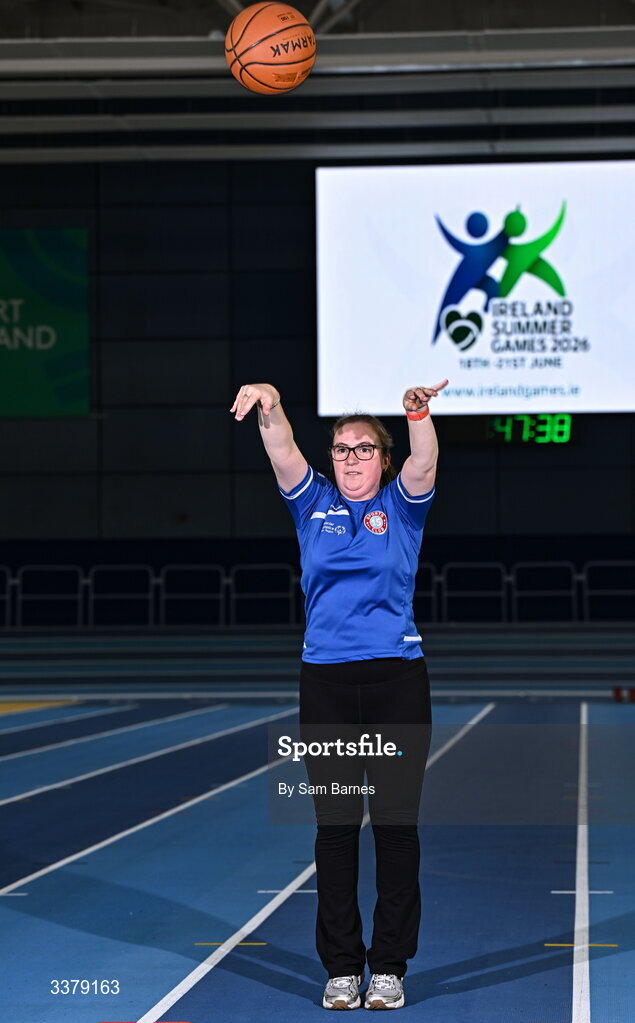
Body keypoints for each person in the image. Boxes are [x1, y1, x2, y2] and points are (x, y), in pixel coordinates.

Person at [230, 379, 447, 1010]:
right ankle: (342, 968)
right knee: (335, 829)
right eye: (342, 449)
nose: (351, 458)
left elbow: (426, 459)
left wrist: (417, 413)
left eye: (363, 448)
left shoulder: (405, 507)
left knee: (396, 829)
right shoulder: (311, 503)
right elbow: (281, 448)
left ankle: (389, 968)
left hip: (397, 683)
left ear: (384, 458)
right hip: (325, 683)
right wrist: (271, 401)